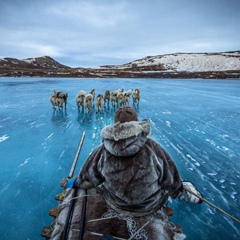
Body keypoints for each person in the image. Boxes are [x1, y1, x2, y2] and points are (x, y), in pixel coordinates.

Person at [66, 106, 202, 217]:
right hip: (148, 206)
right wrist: (178, 191)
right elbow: (170, 179)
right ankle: (188, 195)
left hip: (116, 204)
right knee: (169, 183)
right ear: (137, 122)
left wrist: (77, 183)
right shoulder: (152, 148)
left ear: (114, 125)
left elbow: (87, 179)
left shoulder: (102, 150)